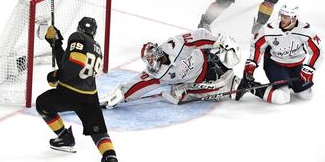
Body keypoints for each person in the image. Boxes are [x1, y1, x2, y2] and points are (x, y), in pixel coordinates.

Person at [36, 17, 118, 162]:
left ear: (79, 28)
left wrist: (57, 76)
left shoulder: (77, 36)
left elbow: (75, 63)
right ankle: (110, 157)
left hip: (69, 92)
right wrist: (56, 43)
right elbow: (68, 62)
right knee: (99, 132)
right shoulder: (97, 48)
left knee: (42, 104)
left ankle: (64, 137)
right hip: (90, 96)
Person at [100, 28, 241, 108]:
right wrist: (121, 95)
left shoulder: (174, 45)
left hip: (207, 57)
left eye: (151, 58)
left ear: (158, 52)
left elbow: (199, 35)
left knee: (227, 63)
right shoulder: (155, 74)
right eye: (147, 61)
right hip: (197, 79)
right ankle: (229, 86)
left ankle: (235, 81)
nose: (151, 63)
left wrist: (217, 41)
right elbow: (138, 84)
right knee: (179, 94)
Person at [235, 4, 323, 104]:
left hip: (296, 65)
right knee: (281, 98)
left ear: (293, 19)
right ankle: (251, 87)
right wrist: (250, 68)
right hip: (275, 64)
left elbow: (318, 51)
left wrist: (309, 69)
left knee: (307, 95)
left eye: (286, 17)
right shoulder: (269, 29)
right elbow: (257, 46)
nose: (282, 19)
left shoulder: (305, 31)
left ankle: (288, 82)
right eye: (281, 16)